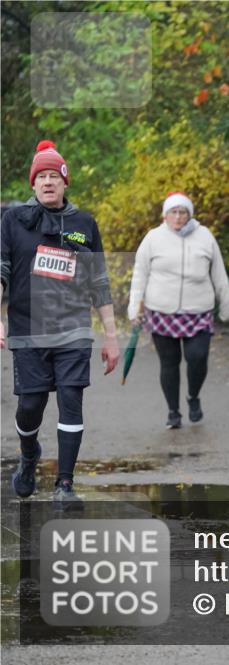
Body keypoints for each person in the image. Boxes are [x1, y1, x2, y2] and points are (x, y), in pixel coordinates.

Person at [2, 140, 121, 509]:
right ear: (33, 184)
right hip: (28, 329)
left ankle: (64, 485)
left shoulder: (84, 224)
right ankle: (28, 455)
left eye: (55, 175)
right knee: (30, 407)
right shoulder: (12, 221)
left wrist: (111, 336)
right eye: (42, 176)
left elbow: (98, 281)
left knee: (71, 400)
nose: (48, 182)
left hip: (73, 329)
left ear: (65, 182)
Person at [128, 192, 229, 428]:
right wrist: (134, 307)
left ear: (189, 215)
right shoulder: (153, 238)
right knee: (169, 363)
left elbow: (219, 274)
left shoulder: (205, 236)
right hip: (161, 311)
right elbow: (139, 275)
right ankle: (173, 412)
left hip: (198, 311)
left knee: (197, 358)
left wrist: (227, 306)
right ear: (165, 215)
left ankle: (193, 396)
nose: (178, 217)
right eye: (173, 212)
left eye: (182, 212)